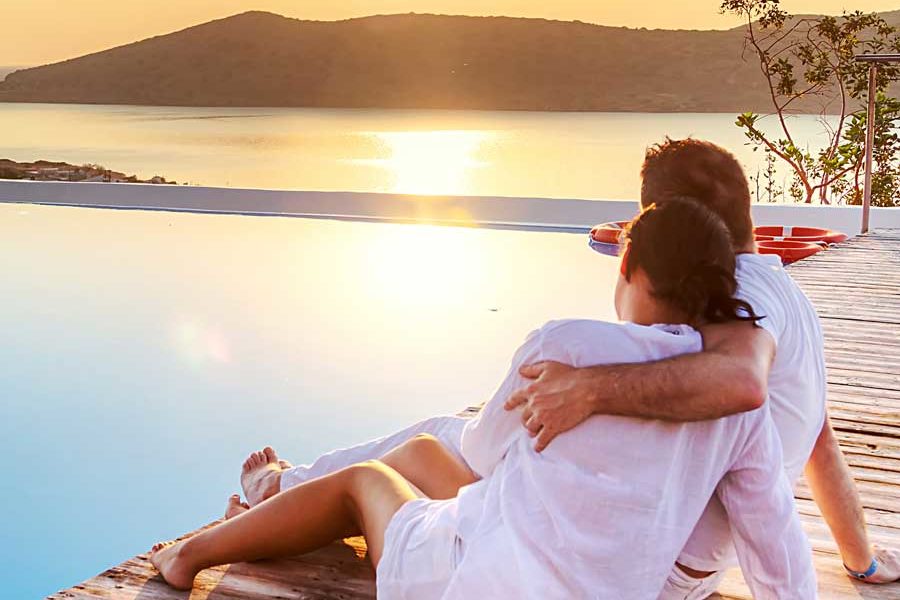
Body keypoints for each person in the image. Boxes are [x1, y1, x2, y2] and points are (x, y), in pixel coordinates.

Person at [242, 138, 900, 595]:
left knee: (444, 441)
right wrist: (861, 560)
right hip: (680, 556)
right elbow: (819, 440)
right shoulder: (791, 297)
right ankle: (292, 487)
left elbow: (743, 382)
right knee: (457, 443)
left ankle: (282, 490)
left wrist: (587, 387)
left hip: (649, 565)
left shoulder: (741, 300)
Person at [152, 199, 816, 598]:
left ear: (626, 264)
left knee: (364, 480)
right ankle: (274, 500)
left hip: (473, 580)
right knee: (421, 456)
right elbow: (776, 551)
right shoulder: (735, 405)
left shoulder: (567, 345)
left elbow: (482, 450)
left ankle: (188, 556)